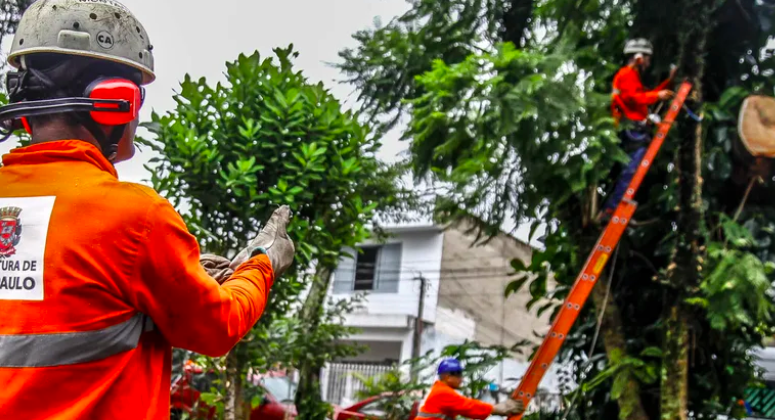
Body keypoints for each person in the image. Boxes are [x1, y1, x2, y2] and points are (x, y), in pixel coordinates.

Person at [0, 1, 295, 419]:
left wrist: (179, 278)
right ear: (113, 102)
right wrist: (262, 262)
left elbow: (62, 305)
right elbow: (218, 327)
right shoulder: (133, 218)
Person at [599, 38, 677, 222]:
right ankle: (613, 209)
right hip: (631, 127)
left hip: (634, 126)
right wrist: (657, 95)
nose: (648, 63)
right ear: (639, 58)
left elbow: (642, 96)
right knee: (631, 169)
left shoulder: (632, 77)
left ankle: (616, 208)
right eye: (647, 59)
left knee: (633, 169)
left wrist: (669, 82)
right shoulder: (626, 74)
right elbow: (633, 98)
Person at [415, 359, 525, 420]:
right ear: (448, 377)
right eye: (458, 374)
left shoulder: (438, 389)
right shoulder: (442, 392)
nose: (461, 378)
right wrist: (497, 409)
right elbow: (468, 406)